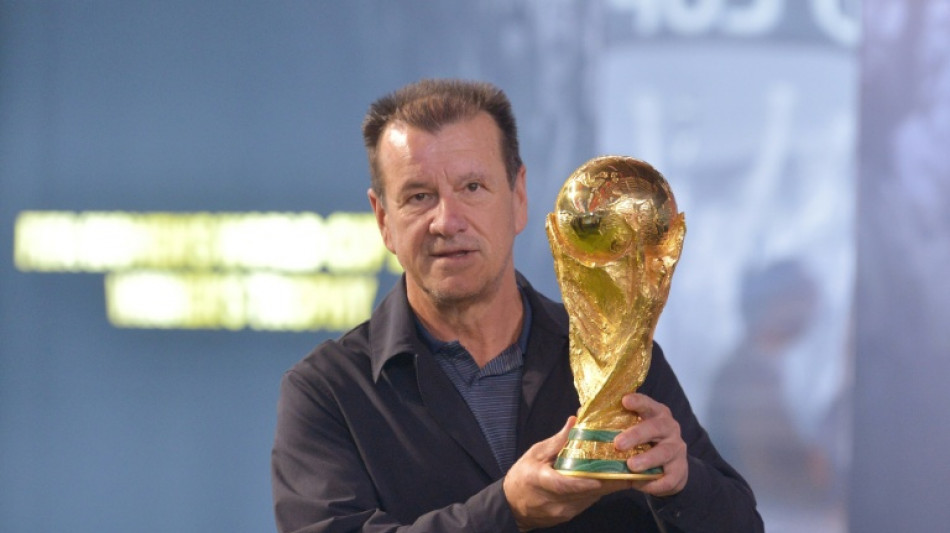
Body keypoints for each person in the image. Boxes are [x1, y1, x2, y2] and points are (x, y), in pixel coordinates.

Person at [271, 79, 763, 533]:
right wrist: (507, 512)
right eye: (419, 196)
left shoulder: (621, 362)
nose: (447, 221)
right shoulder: (328, 392)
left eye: (472, 188)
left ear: (519, 196)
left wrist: (682, 483)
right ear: (383, 220)